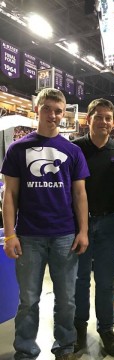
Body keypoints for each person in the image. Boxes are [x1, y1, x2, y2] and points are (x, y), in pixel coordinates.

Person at [1, 88, 89, 360]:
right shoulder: (18, 149)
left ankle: (64, 346)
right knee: (28, 300)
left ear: (64, 114)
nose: (53, 115)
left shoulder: (72, 151)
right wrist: (10, 234)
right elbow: (10, 195)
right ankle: (26, 350)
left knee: (66, 300)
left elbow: (79, 194)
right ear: (37, 109)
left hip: (64, 235)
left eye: (58, 110)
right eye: (47, 108)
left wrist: (83, 231)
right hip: (29, 235)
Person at [73, 98, 114, 356]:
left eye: (109, 117)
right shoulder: (74, 149)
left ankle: (106, 327)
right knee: (80, 279)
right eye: (99, 117)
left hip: (108, 223)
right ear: (89, 119)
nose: (105, 122)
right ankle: (79, 325)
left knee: (106, 281)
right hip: (79, 223)